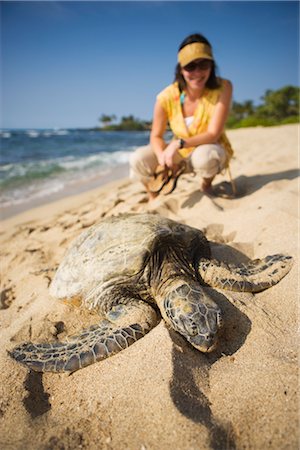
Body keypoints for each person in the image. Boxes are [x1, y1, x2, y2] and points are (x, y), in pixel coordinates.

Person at [129, 33, 234, 200]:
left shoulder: (224, 87)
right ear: (180, 68)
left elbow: (213, 134)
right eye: (190, 66)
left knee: (206, 157)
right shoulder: (166, 96)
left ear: (212, 65)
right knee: (137, 158)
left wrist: (177, 144)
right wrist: (161, 157)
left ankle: (206, 186)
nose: (197, 72)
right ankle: (153, 196)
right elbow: (155, 135)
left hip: (205, 149)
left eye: (204, 64)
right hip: (176, 155)